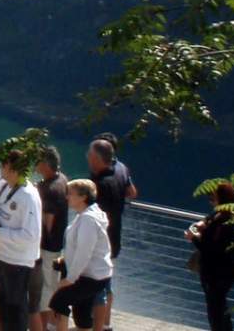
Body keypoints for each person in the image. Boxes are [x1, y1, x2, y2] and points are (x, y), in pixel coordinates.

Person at [0, 149, 42, 331]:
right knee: (1, 306)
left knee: (16, 309)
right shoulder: (3, 186)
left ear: (12, 169)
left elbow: (31, 235)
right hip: (1, 257)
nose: (0, 168)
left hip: (18, 262)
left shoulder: (28, 196)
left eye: (3, 165)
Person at [88, 138, 138, 331]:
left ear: (98, 157)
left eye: (90, 155)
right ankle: (105, 324)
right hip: (115, 237)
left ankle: (98, 325)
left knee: (97, 285)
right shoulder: (122, 169)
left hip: (99, 241)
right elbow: (132, 192)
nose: (88, 158)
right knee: (106, 282)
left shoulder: (99, 183)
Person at [50, 179, 114, 330]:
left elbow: (84, 252)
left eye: (70, 194)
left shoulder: (88, 219)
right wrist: (66, 259)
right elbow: (79, 248)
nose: (67, 197)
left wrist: (70, 279)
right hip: (91, 274)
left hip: (90, 276)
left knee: (59, 301)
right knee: (82, 314)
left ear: (83, 197)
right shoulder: (85, 215)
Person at [189, 183, 234, 331]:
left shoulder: (222, 222)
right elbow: (211, 217)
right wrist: (204, 222)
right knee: (220, 306)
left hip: (216, 272)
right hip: (230, 271)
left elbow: (210, 249)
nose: (211, 201)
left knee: (215, 310)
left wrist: (194, 237)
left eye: (213, 198)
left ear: (221, 199)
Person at [33, 147, 71, 331]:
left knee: (47, 286)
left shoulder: (50, 190)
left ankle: (45, 324)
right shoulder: (62, 179)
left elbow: (48, 222)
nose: (35, 165)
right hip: (57, 243)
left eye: (38, 161)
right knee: (52, 283)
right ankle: (51, 323)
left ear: (46, 165)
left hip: (47, 246)